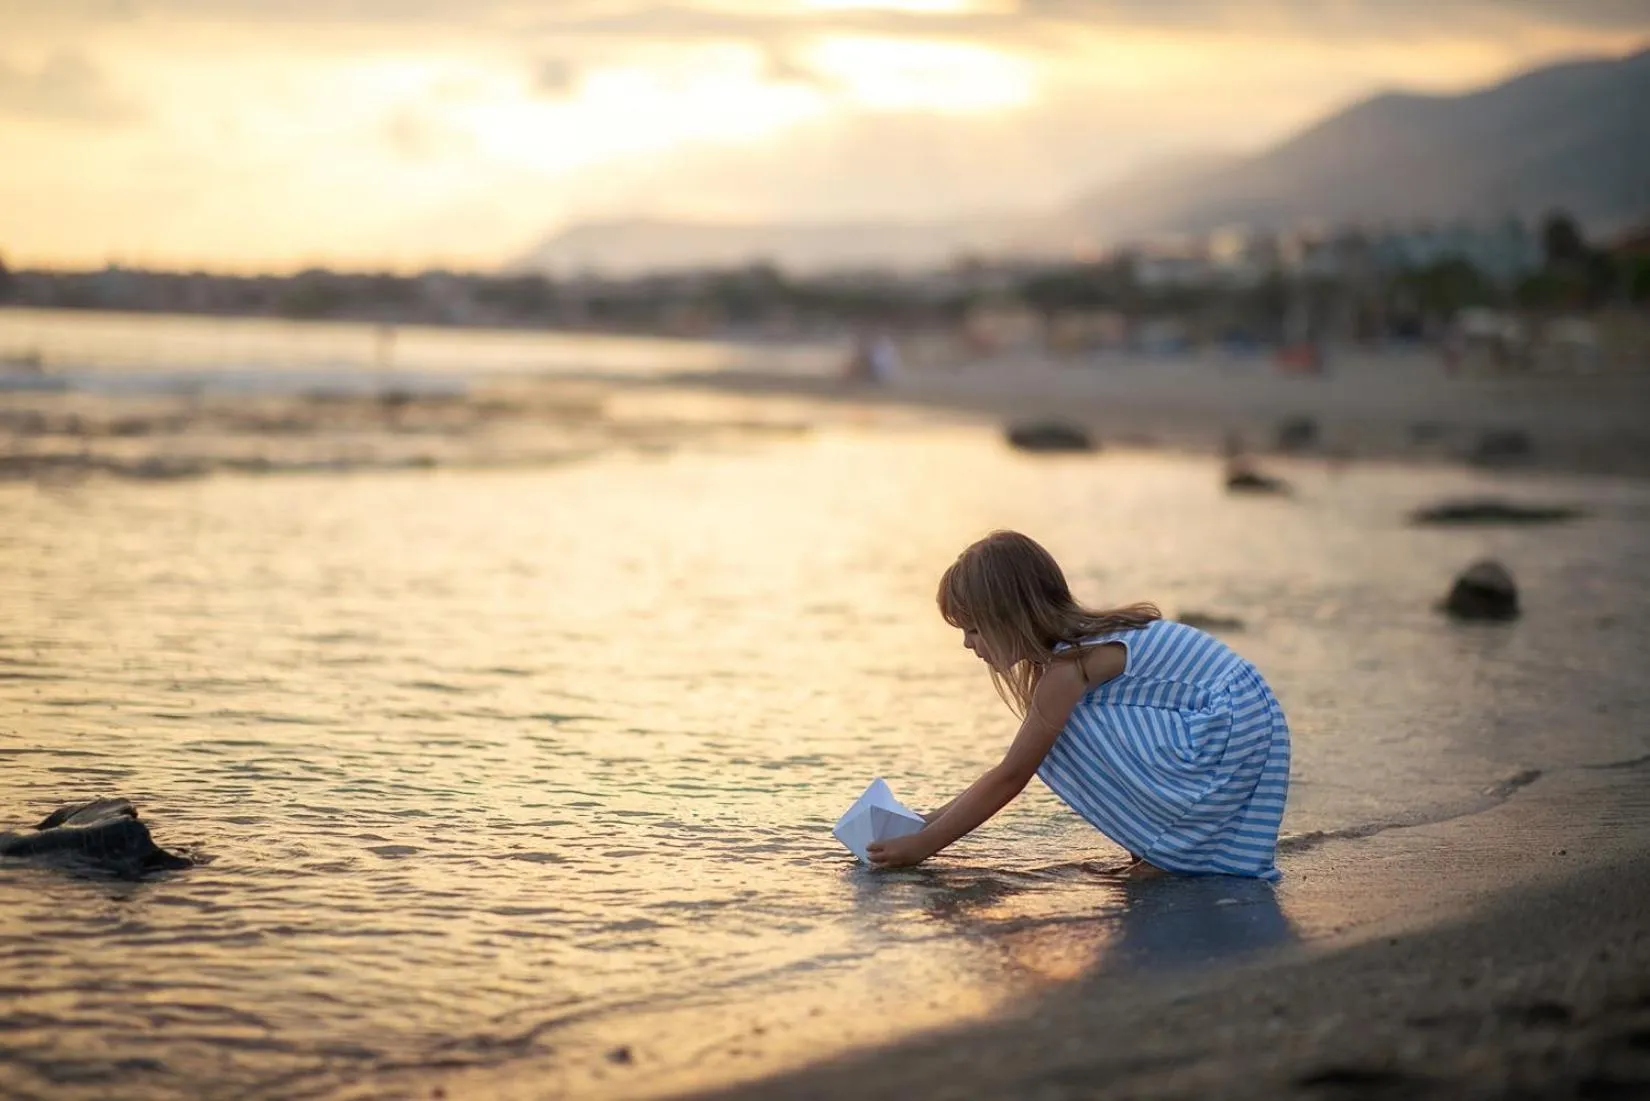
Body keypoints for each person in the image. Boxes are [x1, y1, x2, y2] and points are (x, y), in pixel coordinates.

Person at [866, 530, 1290, 879]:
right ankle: (1160, 849)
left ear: (1011, 617)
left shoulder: (1070, 667)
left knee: (1060, 733)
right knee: (1059, 725)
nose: (966, 643)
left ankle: (1165, 852)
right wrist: (923, 822)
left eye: (974, 629)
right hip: (1243, 719)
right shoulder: (1083, 647)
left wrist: (923, 847)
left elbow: (1011, 775)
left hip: (1230, 726)